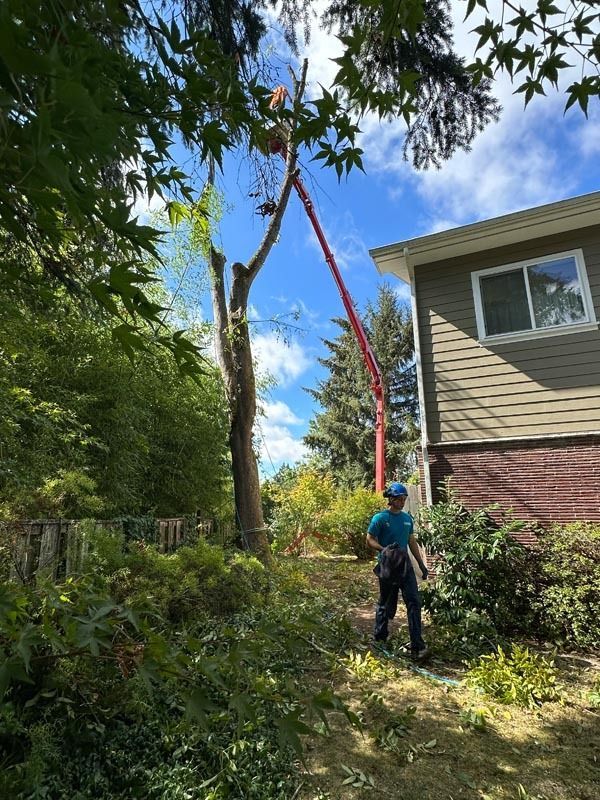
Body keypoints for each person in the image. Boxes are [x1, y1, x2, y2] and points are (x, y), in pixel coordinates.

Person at [366, 482, 429, 659]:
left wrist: (421, 564)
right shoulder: (380, 518)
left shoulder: (407, 519)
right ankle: (380, 638)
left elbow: (411, 542)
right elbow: (369, 539)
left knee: (414, 602)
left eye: (404, 499)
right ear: (391, 499)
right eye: (399, 499)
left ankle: (417, 644)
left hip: (404, 566)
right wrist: (383, 549)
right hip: (388, 565)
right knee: (385, 603)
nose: (402, 502)